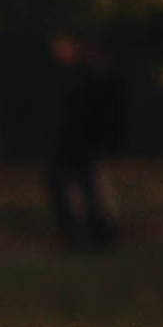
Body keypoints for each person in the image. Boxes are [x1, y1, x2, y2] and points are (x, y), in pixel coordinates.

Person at [43, 32, 124, 251]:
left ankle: (96, 233)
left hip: (79, 144)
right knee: (74, 190)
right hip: (68, 144)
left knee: (89, 190)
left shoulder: (83, 77)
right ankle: (78, 233)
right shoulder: (68, 77)